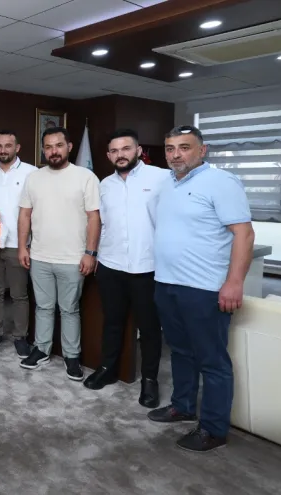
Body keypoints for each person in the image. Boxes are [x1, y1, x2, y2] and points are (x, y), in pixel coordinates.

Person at [148, 125, 254, 453]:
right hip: (167, 283)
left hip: (204, 288)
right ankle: (182, 406)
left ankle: (213, 428)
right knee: (180, 351)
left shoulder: (221, 181)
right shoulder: (166, 184)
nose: (176, 154)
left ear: (202, 150)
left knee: (212, 360)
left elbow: (244, 233)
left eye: (184, 147)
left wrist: (234, 282)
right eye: (170, 148)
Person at [84, 129, 169, 408]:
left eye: (126, 149)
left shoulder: (161, 178)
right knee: (112, 321)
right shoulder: (104, 184)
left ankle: (149, 380)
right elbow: (99, 223)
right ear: (109, 155)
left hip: (148, 266)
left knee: (149, 327)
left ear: (138, 150)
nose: (120, 155)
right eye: (114, 151)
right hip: (111, 264)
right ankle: (107, 369)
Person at [18, 127, 101, 381]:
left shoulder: (86, 177)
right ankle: (41, 349)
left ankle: (72, 356)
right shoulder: (34, 178)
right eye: (48, 147)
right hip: (39, 256)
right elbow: (25, 214)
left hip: (73, 259)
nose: (53, 151)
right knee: (43, 307)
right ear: (43, 150)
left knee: (69, 310)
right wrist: (22, 246)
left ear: (69, 147)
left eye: (58, 145)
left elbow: (94, 217)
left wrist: (90, 252)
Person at [0, 130, 37, 356]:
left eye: (8, 145)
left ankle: (20, 336)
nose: (3, 150)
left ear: (17, 148)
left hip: (18, 244)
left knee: (19, 294)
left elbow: (36, 211)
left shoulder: (31, 172)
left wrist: (29, 244)